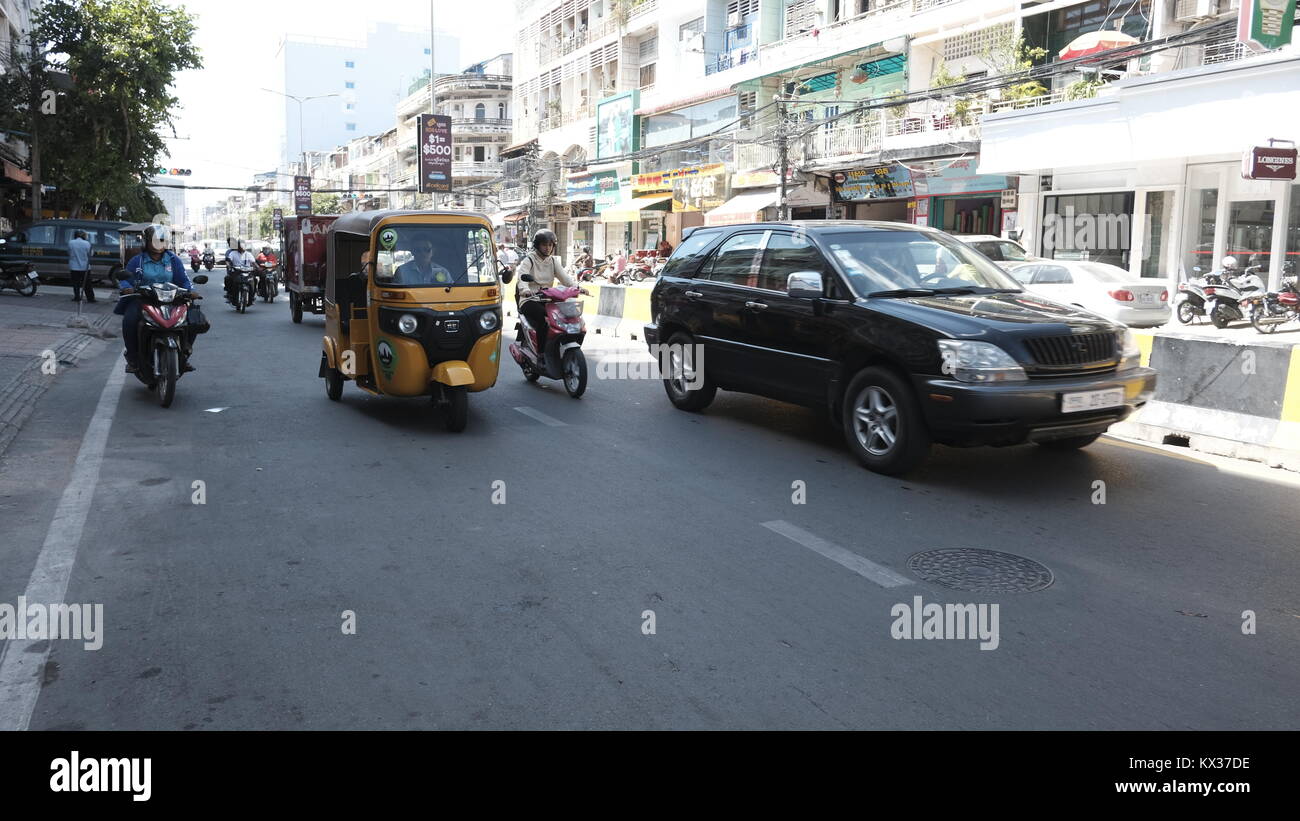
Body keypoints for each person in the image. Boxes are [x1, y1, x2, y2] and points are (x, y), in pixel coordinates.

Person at [117, 224, 194, 373]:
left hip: (171, 299)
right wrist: (126, 286)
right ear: (146, 242)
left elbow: (184, 280)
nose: (158, 243)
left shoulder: (173, 260)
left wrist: (191, 291)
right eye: (154, 240)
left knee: (194, 319)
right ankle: (133, 358)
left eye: (161, 240)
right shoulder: (137, 260)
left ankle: (185, 353)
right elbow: (125, 278)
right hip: (143, 299)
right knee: (129, 320)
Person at [516, 229, 578, 362]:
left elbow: (565, 279)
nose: (548, 248)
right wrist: (525, 290)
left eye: (550, 245)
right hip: (529, 299)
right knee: (544, 320)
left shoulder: (553, 261)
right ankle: (541, 353)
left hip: (547, 298)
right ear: (537, 245)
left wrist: (577, 288)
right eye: (544, 244)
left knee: (564, 316)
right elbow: (521, 277)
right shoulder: (529, 260)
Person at [67, 229, 94, 302]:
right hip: (85, 267)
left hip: (74, 267)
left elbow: (69, 253)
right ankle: (90, 298)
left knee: (76, 283)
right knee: (87, 284)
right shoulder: (87, 243)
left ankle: (77, 297)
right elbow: (91, 254)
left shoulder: (71, 242)